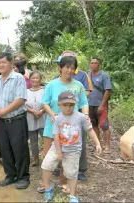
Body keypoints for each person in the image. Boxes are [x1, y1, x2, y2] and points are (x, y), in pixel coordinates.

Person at [37, 56, 89, 193]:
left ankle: (63, 182)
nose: (70, 70)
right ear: (60, 68)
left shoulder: (78, 85)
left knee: (68, 155)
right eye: (67, 67)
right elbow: (45, 102)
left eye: (72, 68)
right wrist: (52, 114)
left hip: (71, 128)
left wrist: (86, 115)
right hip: (52, 125)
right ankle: (45, 183)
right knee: (48, 153)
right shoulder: (52, 84)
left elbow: (84, 103)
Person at [41, 91, 102, 203]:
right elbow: (56, 136)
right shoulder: (57, 118)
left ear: (75, 105)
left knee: (72, 173)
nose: (68, 108)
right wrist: (59, 152)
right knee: (46, 166)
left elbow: (90, 130)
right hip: (57, 147)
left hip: (73, 150)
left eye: (71, 105)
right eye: (65, 105)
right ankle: (48, 188)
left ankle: (72, 195)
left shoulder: (81, 117)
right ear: (59, 105)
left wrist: (97, 143)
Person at [0, 52, 30, 189]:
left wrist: (2, 111)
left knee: (19, 149)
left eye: (4, 62)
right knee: (5, 150)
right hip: (2, 122)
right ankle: (10, 175)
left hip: (16, 120)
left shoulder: (18, 78)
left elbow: (20, 100)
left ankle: (23, 177)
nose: (1, 65)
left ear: (11, 63)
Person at [53, 51, 93, 181]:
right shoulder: (55, 78)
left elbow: (85, 95)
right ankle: (62, 167)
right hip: (61, 117)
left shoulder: (82, 76)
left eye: (71, 64)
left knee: (78, 141)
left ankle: (81, 169)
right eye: (65, 61)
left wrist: (84, 113)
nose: (69, 69)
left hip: (77, 114)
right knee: (63, 140)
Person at [88, 58, 112, 154]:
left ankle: (107, 146)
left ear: (99, 65)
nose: (93, 65)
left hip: (100, 104)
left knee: (104, 125)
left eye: (95, 63)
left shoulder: (104, 75)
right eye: (92, 63)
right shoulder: (87, 75)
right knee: (93, 125)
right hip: (90, 104)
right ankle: (97, 145)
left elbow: (108, 90)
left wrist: (102, 104)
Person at [26, 71, 46, 166]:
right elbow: (22, 105)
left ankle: (48, 158)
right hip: (30, 118)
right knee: (33, 140)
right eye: (33, 78)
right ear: (30, 79)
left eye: (37, 78)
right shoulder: (26, 91)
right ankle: (35, 159)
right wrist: (33, 111)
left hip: (43, 117)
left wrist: (41, 111)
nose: (35, 80)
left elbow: (48, 103)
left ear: (40, 79)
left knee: (46, 138)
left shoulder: (44, 90)